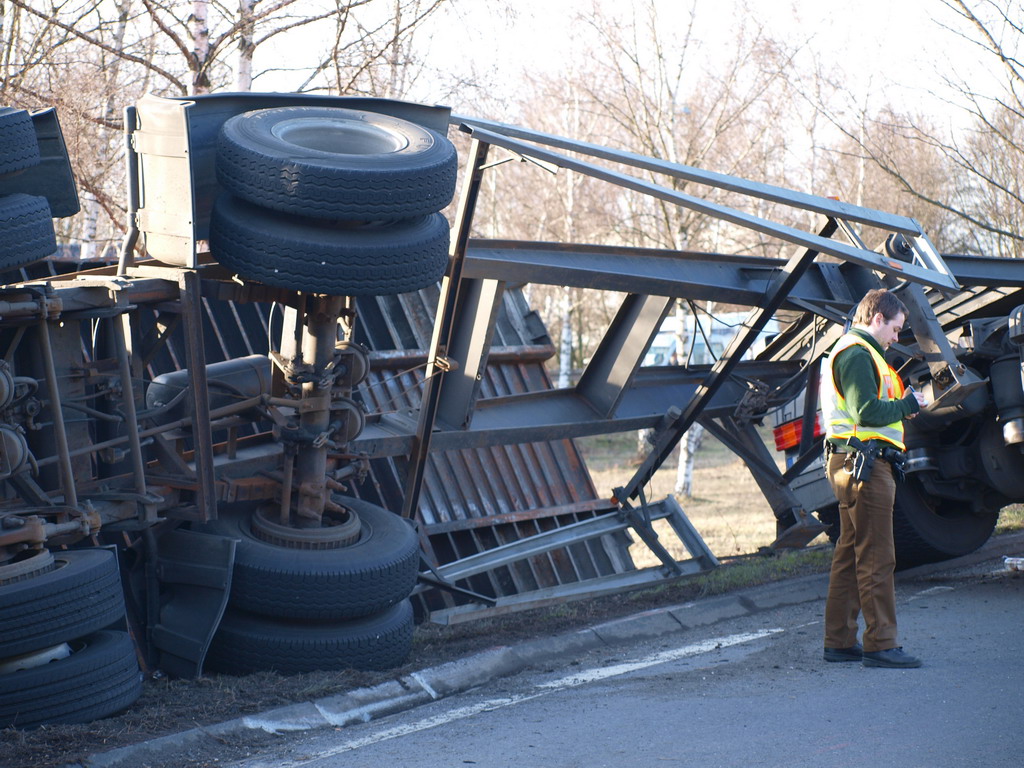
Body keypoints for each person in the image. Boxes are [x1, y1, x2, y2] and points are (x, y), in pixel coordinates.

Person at [819, 288, 928, 668]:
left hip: (853, 463)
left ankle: (839, 640)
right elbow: (865, 411)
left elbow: (867, 410)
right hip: (864, 465)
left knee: (851, 553)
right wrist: (909, 404)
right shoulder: (857, 352)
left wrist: (900, 409)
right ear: (877, 319)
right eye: (895, 329)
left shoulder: (857, 352)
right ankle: (881, 644)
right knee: (877, 555)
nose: (897, 338)